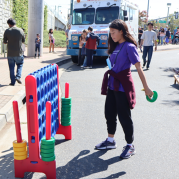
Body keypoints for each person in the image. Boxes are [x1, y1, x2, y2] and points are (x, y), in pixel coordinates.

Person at [95, 19, 154, 159]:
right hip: (112, 85)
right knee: (109, 113)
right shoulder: (115, 46)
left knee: (124, 117)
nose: (112, 35)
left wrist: (146, 88)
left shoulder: (129, 47)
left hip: (122, 87)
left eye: (114, 32)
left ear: (121, 31)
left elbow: (138, 68)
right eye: (110, 33)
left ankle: (130, 145)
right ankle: (110, 141)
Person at [3, 18, 25, 86]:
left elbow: (5, 42)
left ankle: (12, 82)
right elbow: (23, 41)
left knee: (11, 67)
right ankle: (18, 77)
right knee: (20, 64)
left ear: (9, 24)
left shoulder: (7, 31)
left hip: (10, 53)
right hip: (19, 52)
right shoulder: (21, 30)